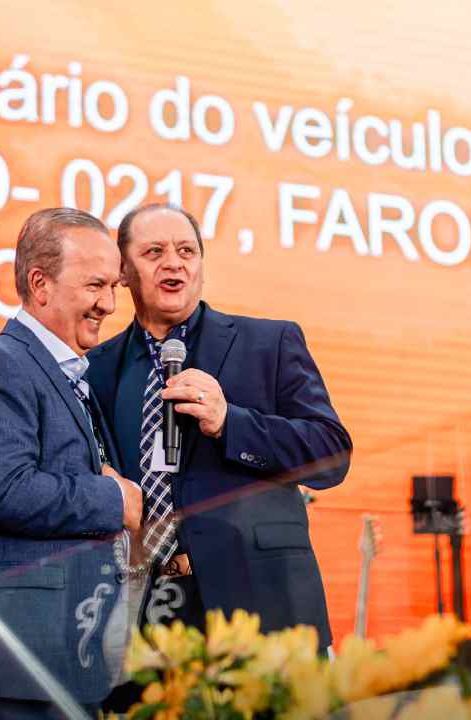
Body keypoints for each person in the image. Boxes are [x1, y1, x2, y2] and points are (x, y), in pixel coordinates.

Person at [86, 203, 352, 651]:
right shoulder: (96, 368)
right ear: (123, 273)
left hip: (261, 609)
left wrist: (231, 423)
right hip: (144, 615)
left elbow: (331, 456)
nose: (174, 262)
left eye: (186, 251)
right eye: (154, 252)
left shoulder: (269, 343)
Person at [0, 208, 143, 719]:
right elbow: (7, 492)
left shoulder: (69, 374)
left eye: (113, 286)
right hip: (10, 659)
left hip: (60, 659)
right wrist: (115, 497)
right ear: (39, 284)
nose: (109, 304)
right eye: (95, 285)